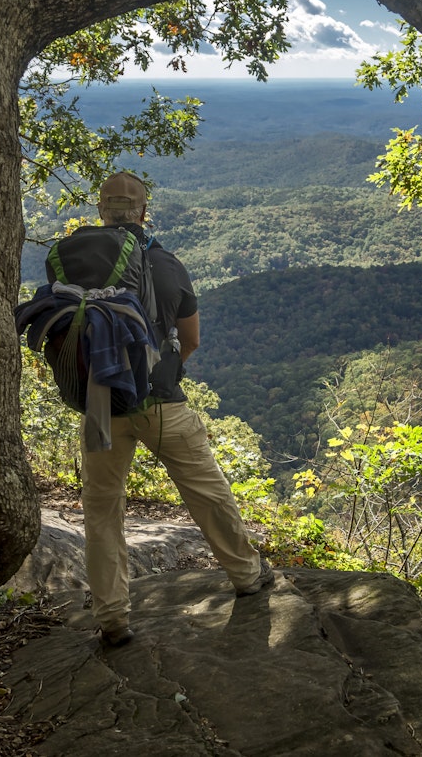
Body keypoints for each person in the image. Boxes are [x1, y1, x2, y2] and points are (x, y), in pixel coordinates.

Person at [82, 171, 275, 647]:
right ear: (143, 213)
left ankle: (112, 617)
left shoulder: (76, 261)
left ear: (102, 211)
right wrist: (162, 371)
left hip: (100, 406)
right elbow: (191, 340)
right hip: (162, 402)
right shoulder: (165, 264)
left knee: (102, 510)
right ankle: (247, 576)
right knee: (206, 491)